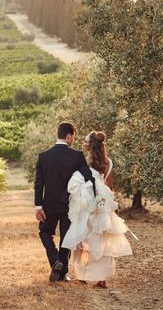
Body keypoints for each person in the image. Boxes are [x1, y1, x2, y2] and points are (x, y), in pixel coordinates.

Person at [62, 131, 135, 288]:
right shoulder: (108, 162)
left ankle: (83, 274)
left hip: (88, 208)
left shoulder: (83, 161)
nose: (82, 142)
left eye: (85, 141)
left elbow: (79, 183)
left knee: (84, 240)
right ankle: (102, 278)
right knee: (103, 241)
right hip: (102, 207)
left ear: (89, 145)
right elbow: (109, 187)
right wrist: (110, 206)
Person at [34, 122, 94, 282]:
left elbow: (39, 184)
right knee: (67, 237)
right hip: (70, 204)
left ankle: (55, 261)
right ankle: (62, 272)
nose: (73, 140)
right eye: (73, 136)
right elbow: (89, 177)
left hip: (49, 204)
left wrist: (38, 206)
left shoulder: (43, 156)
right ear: (68, 136)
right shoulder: (77, 156)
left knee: (44, 232)